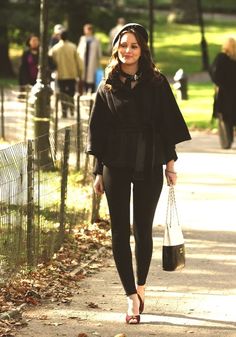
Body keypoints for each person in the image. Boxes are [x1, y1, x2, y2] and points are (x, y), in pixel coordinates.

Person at [86, 23, 191, 324]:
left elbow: (166, 125)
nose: (127, 51)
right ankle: (130, 295)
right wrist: (96, 171)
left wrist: (170, 163)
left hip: (149, 161)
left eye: (133, 46)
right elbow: (98, 130)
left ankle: (141, 286)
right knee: (119, 230)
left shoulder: (157, 82)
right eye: (123, 45)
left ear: (142, 49)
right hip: (114, 164)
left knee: (142, 229)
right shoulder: (106, 84)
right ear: (116, 48)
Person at [49, 30, 83, 118]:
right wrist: (80, 72)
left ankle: (64, 111)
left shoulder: (55, 48)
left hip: (60, 74)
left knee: (62, 93)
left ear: (60, 37)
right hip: (72, 74)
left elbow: (50, 59)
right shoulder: (73, 47)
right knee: (71, 92)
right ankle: (71, 108)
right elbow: (78, 61)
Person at [210, 37, 236, 148]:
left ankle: (227, 141)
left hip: (224, 92)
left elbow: (214, 73)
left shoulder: (221, 58)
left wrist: (218, 83)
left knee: (225, 117)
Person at [77, 23, 102, 94]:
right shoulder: (82, 39)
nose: (86, 31)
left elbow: (99, 53)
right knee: (83, 76)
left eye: (88, 30)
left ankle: (90, 90)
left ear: (91, 30)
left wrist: (98, 61)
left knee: (91, 77)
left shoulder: (96, 40)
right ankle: (84, 90)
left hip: (92, 61)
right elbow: (78, 51)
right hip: (83, 61)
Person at [18, 34, 39, 99]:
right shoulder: (26, 53)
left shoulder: (42, 52)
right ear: (29, 42)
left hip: (38, 78)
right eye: (33, 40)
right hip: (28, 78)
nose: (35, 42)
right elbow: (22, 67)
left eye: (36, 40)